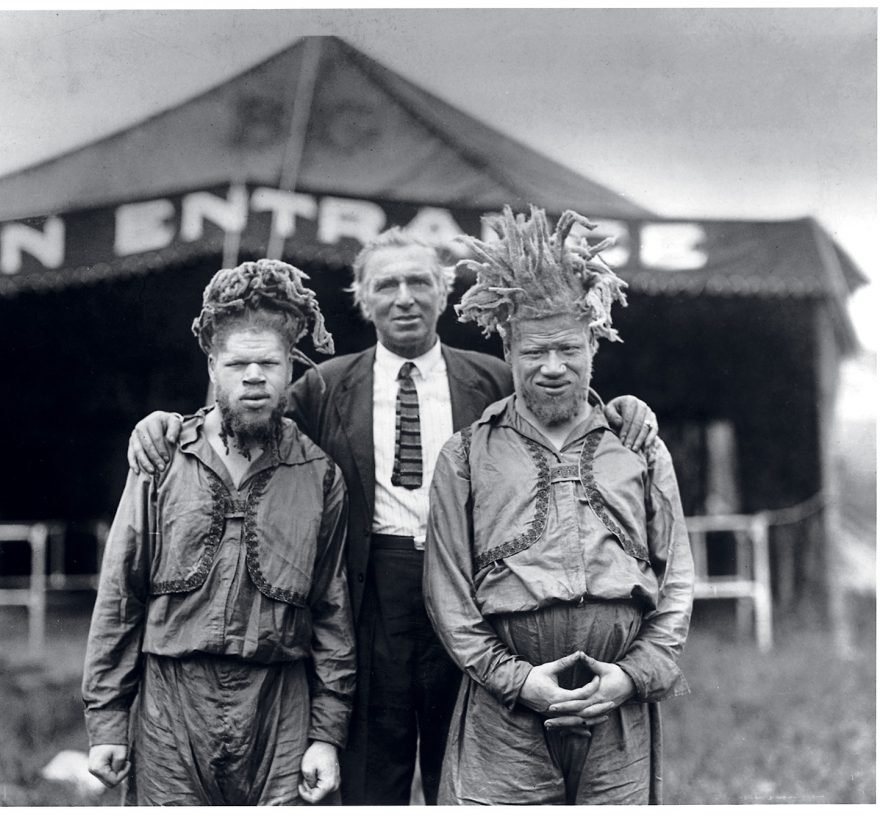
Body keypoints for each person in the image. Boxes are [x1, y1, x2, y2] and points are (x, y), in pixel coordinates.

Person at [126, 228, 659, 805]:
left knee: (461, 753)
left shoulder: (491, 378)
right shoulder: (325, 387)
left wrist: (625, 408)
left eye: (419, 282)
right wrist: (170, 423)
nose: (404, 297)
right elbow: (253, 411)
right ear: (362, 297)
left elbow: (561, 404)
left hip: (471, 588)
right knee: (370, 769)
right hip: (370, 589)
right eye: (387, 284)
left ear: (445, 289)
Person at [423, 206, 695, 805]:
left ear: (595, 342)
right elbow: (448, 598)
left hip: (617, 719)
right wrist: (519, 682)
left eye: (569, 349)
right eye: (534, 352)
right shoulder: (464, 456)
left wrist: (631, 676)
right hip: (505, 718)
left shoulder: (638, 446)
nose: (552, 368)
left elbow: (675, 582)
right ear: (509, 348)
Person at [82, 259, 355, 806]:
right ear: (212, 366)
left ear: (290, 369)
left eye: (268, 364)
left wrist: (326, 734)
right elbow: (119, 595)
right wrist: (108, 720)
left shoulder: (320, 475)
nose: (254, 377)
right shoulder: (161, 461)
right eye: (238, 364)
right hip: (170, 709)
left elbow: (332, 612)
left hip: (279, 709)